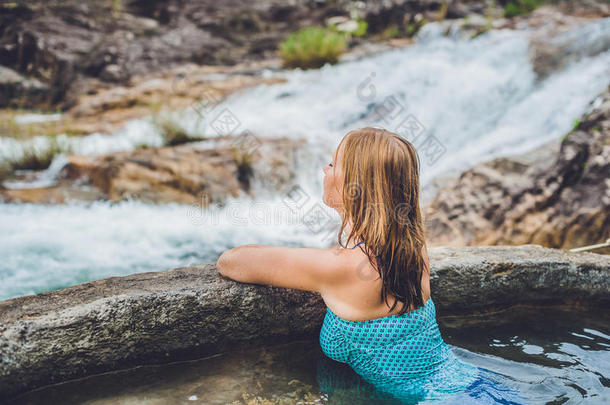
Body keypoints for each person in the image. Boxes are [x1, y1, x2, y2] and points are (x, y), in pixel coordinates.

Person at [217, 127, 526, 404]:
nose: (325, 169)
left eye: (333, 164)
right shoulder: (413, 248)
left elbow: (230, 262)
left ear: (354, 186)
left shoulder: (341, 269)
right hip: (476, 386)